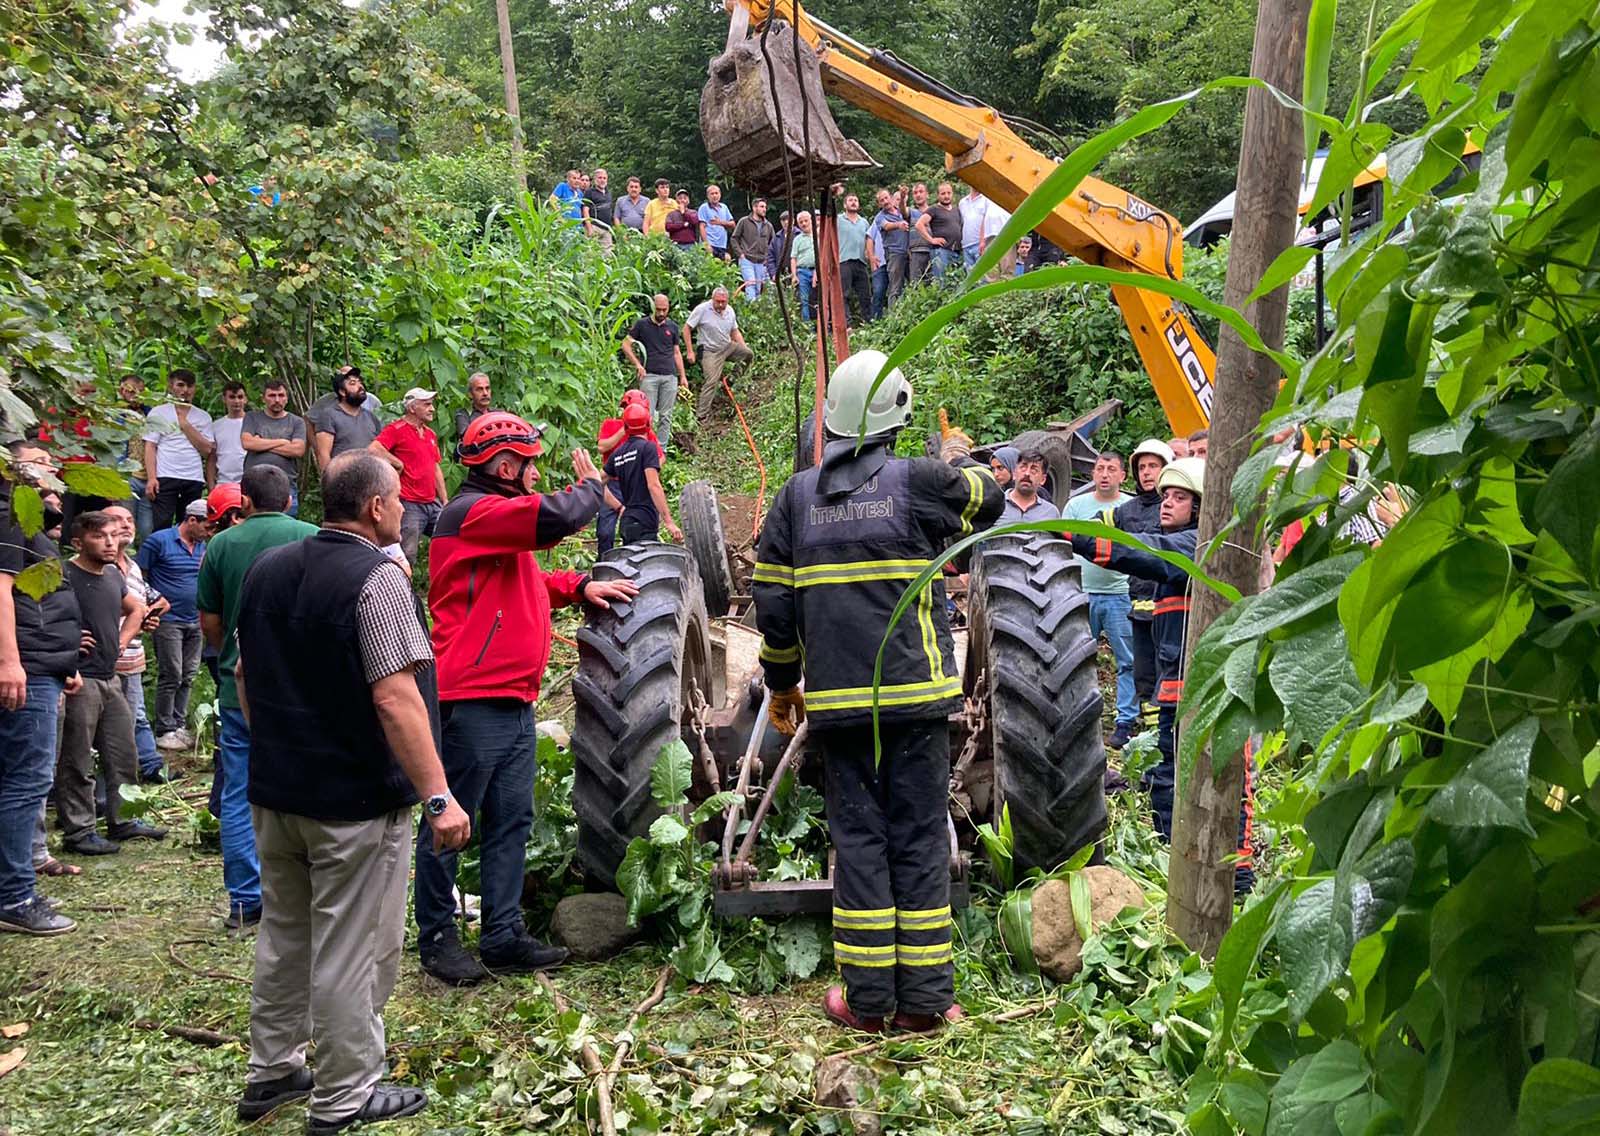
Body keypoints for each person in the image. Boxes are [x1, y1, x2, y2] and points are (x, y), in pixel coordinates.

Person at [753, 350, 1003, 1033]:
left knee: (860, 844)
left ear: (831, 419)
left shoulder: (796, 499)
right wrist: (964, 459)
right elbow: (991, 497)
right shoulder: (920, 482)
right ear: (897, 414)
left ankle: (866, 1003)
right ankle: (926, 1002)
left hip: (838, 711)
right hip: (915, 703)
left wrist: (781, 685)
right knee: (920, 839)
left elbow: (772, 609)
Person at [232, 452, 470, 1132]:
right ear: (375, 507)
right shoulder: (378, 579)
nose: (403, 508)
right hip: (354, 806)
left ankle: (272, 1070)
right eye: (398, 498)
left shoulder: (268, 570)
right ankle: (345, 1095)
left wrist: (279, 744)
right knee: (354, 949)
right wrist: (438, 797)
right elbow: (396, 698)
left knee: (285, 937)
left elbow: (247, 675)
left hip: (277, 797)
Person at [417, 413, 633, 985]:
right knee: (450, 822)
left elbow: (521, 580)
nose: (537, 473)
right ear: (505, 466)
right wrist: (590, 488)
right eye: (531, 463)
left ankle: (503, 933)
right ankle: (437, 938)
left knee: (512, 818)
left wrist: (577, 586)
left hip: (512, 700)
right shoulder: (471, 513)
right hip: (474, 699)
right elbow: (552, 518)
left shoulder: (492, 526)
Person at [1067, 458, 1254, 894]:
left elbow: (1145, 552)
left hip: (1215, 695)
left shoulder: (1203, 546)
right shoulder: (1179, 546)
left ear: (1203, 505)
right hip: (1176, 693)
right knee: (1167, 779)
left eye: (1179, 497)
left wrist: (1076, 534)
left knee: (1226, 782)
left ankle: (1238, 882)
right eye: (1165, 495)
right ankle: (1175, 861)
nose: (1166, 503)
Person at [196, 465, 317, 932]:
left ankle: (245, 902)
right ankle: (301, 894)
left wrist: (234, 652)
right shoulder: (311, 537)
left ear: (243, 502)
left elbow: (210, 622)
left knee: (239, 791)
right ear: (289, 499)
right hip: (302, 687)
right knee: (305, 785)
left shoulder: (221, 545)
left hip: (238, 683)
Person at [0, 445, 83, 936]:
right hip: (24, 672)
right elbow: (1, 590)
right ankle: (13, 896)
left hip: (39, 667)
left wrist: (62, 662)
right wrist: (11, 662)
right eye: (40, 461)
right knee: (26, 781)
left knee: (19, 779)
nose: (52, 469)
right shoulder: (13, 514)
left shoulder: (26, 520)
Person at [58, 511, 165, 855]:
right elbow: (37, 614)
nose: (110, 543)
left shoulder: (112, 576)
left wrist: (120, 642)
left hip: (111, 676)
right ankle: (79, 831)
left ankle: (124, 820)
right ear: (78, 542)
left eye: (113, 536)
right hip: (80, 679)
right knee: (77, 757)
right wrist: (67, 643)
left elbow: (136, 609)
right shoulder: (64, 575)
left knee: (123, 752)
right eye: (99, 536)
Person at [1062, 451, 1138, 748]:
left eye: (1111, 469)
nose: (1104, 474)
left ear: (1122, 476)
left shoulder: (1129, 508)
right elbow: (1061, 548)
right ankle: (1079, 716)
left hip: (1119, 594)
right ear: (1093, 474)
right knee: (1076, 660)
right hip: (1081, 594)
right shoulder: (1075, 506)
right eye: (1099, 468)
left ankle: (1125, 721)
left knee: (1127, 661)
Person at [1114, 439, 1174, 740]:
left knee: (1171, 674)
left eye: (1153, 466)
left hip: (1171, 609)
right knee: (1144, 675)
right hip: (1139, 608)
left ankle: (1167, 734)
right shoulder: (1126, 511)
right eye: (1141, 467)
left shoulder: (1177, 508)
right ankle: (1153, 738)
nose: (1147, 473)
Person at [104, 505, 167, 783]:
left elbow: (152, 603)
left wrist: (146, 620)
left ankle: (147, 768)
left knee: (135, 717)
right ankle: (109, 787)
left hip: (133, 658)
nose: (127, 525)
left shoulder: (132, 567)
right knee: (108, 726)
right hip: (106, 659)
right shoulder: (100, 567)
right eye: (117, 520)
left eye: (130, 519)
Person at [139, 498, 207, 750]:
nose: (208, 531)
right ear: (191, 520)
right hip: (168, 619)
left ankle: (178, 725)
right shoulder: (159, 541)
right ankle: (164, 728)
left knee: (188, 674)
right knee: (172, 673)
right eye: (206, 526)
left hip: (195, 618)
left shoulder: (203, 546)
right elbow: (140, 576)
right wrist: (151, 605)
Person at [370, 389, 447, 564]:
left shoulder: (430, 434)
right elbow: (373, 449)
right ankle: (401, 588)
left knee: (449, 536)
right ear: (412, 408)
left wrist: (445, 500)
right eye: (427, 404)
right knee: (407, 553)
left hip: (432, 502)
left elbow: (435, 468)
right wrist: (397, 463)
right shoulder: (396, 429)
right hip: (409, 502)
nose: (432, 409)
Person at [143, 369, 216, 530]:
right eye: (180, 385)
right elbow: (150, 446)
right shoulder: (158, 412)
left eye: (189, 386)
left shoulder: (203, 417)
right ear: (171, 386)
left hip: (193, 477)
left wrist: (185, 424)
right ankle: (161, 555)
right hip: (165, 475)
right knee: (162, 524)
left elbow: (207, 450)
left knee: (191, 525)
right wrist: (152, 478)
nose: (185, 390)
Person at [595, 391, 662, 554]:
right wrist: (626, 430)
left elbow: (659, 457)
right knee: (605, 531)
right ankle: (604, 561)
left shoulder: (647, 434)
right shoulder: (610, 425)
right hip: (613, 481)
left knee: (639, 526)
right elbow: (602, 447)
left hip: (635, 482)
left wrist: (644, 469)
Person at [606, 404, 683, 543]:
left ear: (625, 427)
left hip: (627, 522)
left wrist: (618, 506)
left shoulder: (617, 454)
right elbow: (653, 485)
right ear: (649, 423)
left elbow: (597, 483)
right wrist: (669, 522)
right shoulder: (648, 448)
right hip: (644, 521)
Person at [622, 294, 689, 452]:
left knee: (666, 415)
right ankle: (646, 448)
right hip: (649, 375)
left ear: (668, 308)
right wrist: (638, 364)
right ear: (653, 307)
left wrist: (683, 376)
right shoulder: (642, 325)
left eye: (664, 310)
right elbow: (625, 344)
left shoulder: (672, 327)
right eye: (658, 310)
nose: (660, 313)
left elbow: (676, 352)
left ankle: (661, 450)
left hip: (669, 375)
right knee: (647, 415)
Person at [684, 287, 754, 422]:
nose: (721, 305)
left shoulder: (730, 311)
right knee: (711, 381)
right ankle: (702, 415)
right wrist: (690, 351)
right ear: (712, 299)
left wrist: (743, 346)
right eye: (718, 302)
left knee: (748, 355)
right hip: (709, 350)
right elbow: (687, 328)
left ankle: (731, 379)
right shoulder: (702, 310)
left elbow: (735, 332)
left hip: (727, 346)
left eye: (723, 302)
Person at [241, 378, 309, 516]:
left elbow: (298, 450)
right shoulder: (252, 417)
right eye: (272, 395)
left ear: (287, 398)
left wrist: (260, 443)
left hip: (285, 488)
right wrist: (283, 441)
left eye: (281, 395)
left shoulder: (297, 422)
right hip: (254, 488)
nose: (277, 400)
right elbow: (247, 443)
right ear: (264, 398)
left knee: (285, 533)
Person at [314, 367, 384, 471]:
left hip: (371, 477)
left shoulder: (371, 417)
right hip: (343, 478)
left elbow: (380, 449)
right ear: (342, 391)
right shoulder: (329, 416)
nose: (360, 386)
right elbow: (323, 454)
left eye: (359, 382)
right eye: (353, 383)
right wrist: (328, 482)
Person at [119, 374, 155, 539]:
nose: (136, 395)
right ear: (122, 391)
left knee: (147, 528)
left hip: (148, 477)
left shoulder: (151, 415)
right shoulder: (115, 414)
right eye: (131, 391)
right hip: (126, 476)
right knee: (124, 524)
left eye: (140, 391)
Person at [836, 194, 874, 325]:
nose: (853, 202)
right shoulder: (838, 219)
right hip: (844, 261)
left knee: (865, 294)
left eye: (856, 200)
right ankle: (846, 324)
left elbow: (869, 241)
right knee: (843, 295)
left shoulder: (864, 222)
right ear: (845, 205)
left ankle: (868, 322)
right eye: (850, 200)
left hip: (861, 261)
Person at [913, 182, 962, 279]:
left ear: (952, 194)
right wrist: (931, 240)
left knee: (955, 283)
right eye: (943, 193)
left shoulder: (956, 210)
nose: (946, 196)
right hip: (941, 252)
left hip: (956, 252)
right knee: (942, 282)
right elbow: (919, 225)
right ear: (938, 195)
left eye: (949, 193)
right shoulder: (934, 209)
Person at [872, 188, 910, 308]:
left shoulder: (900, 211)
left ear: (891, 198)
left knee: (915, 283)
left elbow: (907, 214)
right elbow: (887, 226)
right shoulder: (879, 217)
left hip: (909, 252)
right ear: (879, 204)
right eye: (881, 200)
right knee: (895, 287)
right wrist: (899, 224)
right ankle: (894, 317)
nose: (885, 201)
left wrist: (903, 197)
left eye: (886, 198)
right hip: (894, 254)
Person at [998, 450, 1060, 523]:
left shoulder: (1051, 513)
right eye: (1023, 468)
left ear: (1043, 479)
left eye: (1034, 470)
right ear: (1014, 474)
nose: (1027, 473)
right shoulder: (994, 505)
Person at [732, 198, 775, 299]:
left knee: (759, 288)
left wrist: (768, 258)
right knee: (750, 284)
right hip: (747, 259)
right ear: (754, 208)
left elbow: (773, 244)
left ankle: (757, 312)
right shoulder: (744, 221)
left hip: (762, 261)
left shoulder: (768, 225)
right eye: (762, 207)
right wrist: (740, 254)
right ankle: (750, 309)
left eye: (765, 207)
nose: (764, 209)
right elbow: (734, 239)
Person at [213, 381, 249, 485]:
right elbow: (212, 458)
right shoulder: (216, 426)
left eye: (240, 397)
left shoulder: (254, 422)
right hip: (223, 482)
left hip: (249, 481)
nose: (237, 401)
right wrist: (211, 485)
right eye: (232, 397)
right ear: (224, 399)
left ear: (246, 399)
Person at [978, 199, 1015, 279]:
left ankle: (1007, 289)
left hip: (1007, 235)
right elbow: (984, 218)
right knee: (990, 270)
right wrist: (982, 240)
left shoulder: (1008, 194)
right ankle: (992, 289)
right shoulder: (986, 198)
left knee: (1007, 268)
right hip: (989, 236)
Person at [790, 211, 817, 321]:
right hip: (802, 272)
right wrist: (794, 275)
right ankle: (807, 327)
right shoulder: (797, 239)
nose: (804, 224)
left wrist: (818, 272)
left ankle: (823, 326)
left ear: (811, 221)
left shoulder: (818, 235)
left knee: (820, 299)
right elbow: (793, 258)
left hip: (817, 271)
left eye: (806, 221)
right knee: (804, 300)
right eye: (801, 222)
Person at [698, 184, 735, 260]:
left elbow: (733, 224)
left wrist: (720, 222)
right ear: (708, 196)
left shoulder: (724, 207)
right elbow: (702, 227)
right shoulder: (704, 207)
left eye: (716, 193)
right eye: (712, 194)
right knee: (709, 268)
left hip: (722, 244)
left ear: (720, 194)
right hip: (710, 244)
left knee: (721, 268)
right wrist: (706, 244)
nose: (714, 196)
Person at [582, 167, 614, 250]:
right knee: (591, 254)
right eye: (600, 178)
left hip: (607, 229)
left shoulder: (608, 193)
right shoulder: (589, 192)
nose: (602, 180)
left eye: (604, 178)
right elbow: (585, 211)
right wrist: (589, 228)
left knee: (608, 255)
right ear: (595, 179)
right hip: (594, 227)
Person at [906, 183, 932, 284]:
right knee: (915, 284)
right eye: (915, 193)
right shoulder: (911, 212)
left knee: (932, 283)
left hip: (932, 252)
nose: (918, 195)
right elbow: (903, 210)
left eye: (921, 192)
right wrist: (903, 197)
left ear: (927, 194)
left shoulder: (934, 211)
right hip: (916, 252)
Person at [959, 188, 987, 269]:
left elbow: (987, 221)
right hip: (966, 246)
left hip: (980, 244)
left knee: (982, 276)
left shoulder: (986, 200)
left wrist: (983, 241)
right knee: (969, 277)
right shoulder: (962, 202)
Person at [764, 210, 791, 285]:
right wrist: (773, 274)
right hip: (780, 273)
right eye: (783, 220)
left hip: (796, 273)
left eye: (788, 219)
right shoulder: (776, 238)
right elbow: (770, 257)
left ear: (793, 220)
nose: (786, 222)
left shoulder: (799, 235)